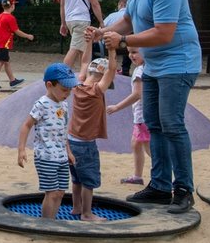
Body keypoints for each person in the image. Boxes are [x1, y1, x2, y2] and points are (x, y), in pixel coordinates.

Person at [96, 0, 201, 214]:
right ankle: (159, 185)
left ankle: (183, 190)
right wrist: (104, 31)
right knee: (154, 123)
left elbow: (164, 33)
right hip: (153, 64)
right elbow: (129, 19)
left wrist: (124, 42)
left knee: (172, 123)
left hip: (178, 62)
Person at [17, 63, 80, 219]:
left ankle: (52, 220)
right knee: (51, 193)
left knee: (60, 193)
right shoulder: (42, 104)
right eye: (64, 90)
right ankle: (46, 222)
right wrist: (21, 150)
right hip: (45, 156)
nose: (68, 94)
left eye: (70, 90)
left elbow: (62, 130)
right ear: (50, 85)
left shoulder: (63, 104)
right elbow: (26, 125)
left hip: (61, 156)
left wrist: (69, 151)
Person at [67, 49, 117, 221]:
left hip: (71, 141)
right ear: (102, 76)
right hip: (85, 145)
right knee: (89, 180)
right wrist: (112, 50)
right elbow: (111, 70)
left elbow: (83, 62)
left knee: (76, 179)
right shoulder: (97, 90)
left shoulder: (77, 85)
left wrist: (88, 42)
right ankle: (87, 214)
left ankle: (76, 208)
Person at [107, 47, 150, 184]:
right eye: (129, 52)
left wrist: (117, 107)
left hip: (143, 116)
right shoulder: (149, 67)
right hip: (143, 115)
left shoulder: (140, 71)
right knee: (136, 144)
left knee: (149, 148)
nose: (131, 55)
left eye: (135, 52)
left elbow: (137, 94)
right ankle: (138, 176)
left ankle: (162, 176)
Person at [60, 0, 104, 74]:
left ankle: (82, 75)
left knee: (83, 49)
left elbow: (62, 6)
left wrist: (63, 23)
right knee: (75, 48)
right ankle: (61, 74)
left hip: (70, 20)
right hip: (81, 20)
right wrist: (101, 21)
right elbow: (94, 4)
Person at [0, 0, 34, 89]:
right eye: (14, 4)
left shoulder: (0, 15)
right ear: (12, 6)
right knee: (0, 62)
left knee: (6, 62)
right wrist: (28, 36)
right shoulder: (10, 18)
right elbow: (17, 31)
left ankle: (12, 81)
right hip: (3, 43)